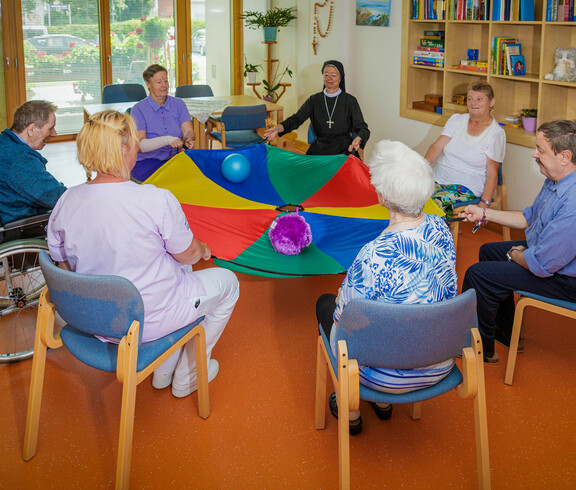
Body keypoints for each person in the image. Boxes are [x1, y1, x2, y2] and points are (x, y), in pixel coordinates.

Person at [47, 110, 239, 398]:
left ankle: (163, 369)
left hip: (94, 318)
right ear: (123, 149)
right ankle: (187, 376)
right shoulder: (154, 199)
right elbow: (187, 255)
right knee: (228, 283)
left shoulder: (66, 200)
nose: (138, 145)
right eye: (135, 140)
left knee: (177, 269)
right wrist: (202, 249)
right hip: (144, 321)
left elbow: (63, 265)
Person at [315, 140, 457, 435]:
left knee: (327, 305)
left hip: (384, 375)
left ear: (381, 195)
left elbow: (346, 321)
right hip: (439, 360)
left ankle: (350, 410)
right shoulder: (441, 227)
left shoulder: (373, 253)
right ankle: (382, 406)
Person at [461, 119, 576, 364]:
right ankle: (507, 334)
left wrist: (516, 253)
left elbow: (543, 264)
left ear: (565, 156)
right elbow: (529, 217)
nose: (534, 153)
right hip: (549, 259)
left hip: (565, 280)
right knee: (489, 252)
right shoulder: (556, 181)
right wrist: (484, 213)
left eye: (541, 150)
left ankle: (477, 350)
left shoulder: (573, 203)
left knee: (478, 274)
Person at [425, 81, 505, 217]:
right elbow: (437, 146)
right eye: (470, 99)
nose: (473, 103)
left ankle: (431, 236)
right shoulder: (456, 120)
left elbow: (492, 173)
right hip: (438, 179)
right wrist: (420, 170)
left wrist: (484, 205)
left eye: (479, 99)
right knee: (410, 197)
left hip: (467, 188)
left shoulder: (496, 133)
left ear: (491, 102)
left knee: (435, 204)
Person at [264, 60, 370, 156]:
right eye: (326, 75)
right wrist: (278, 128)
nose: (329, 78)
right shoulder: (314, 100)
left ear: (340, 77)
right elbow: (296, 119)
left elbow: (362, 128)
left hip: (344, 151)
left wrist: (358, 138)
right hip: (319, 150)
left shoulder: (350, 101)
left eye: (333, 75)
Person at [0, 100, 66, 224]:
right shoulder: (20, 160)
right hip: (23, 227)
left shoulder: (5, 142)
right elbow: (58, 199)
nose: (54, 134)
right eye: (50, 128)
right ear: (31, 129)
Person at [130, 64, 195, 181]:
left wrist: (189, 139)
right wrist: (167, 140)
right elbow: (139, 145)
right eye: (159, 82)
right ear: (148, 84)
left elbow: (188, 130)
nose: (164, 85)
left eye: (166, 81)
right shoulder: (138, 109)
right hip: (147, 161)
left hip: (175, 158)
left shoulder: (179, 104)